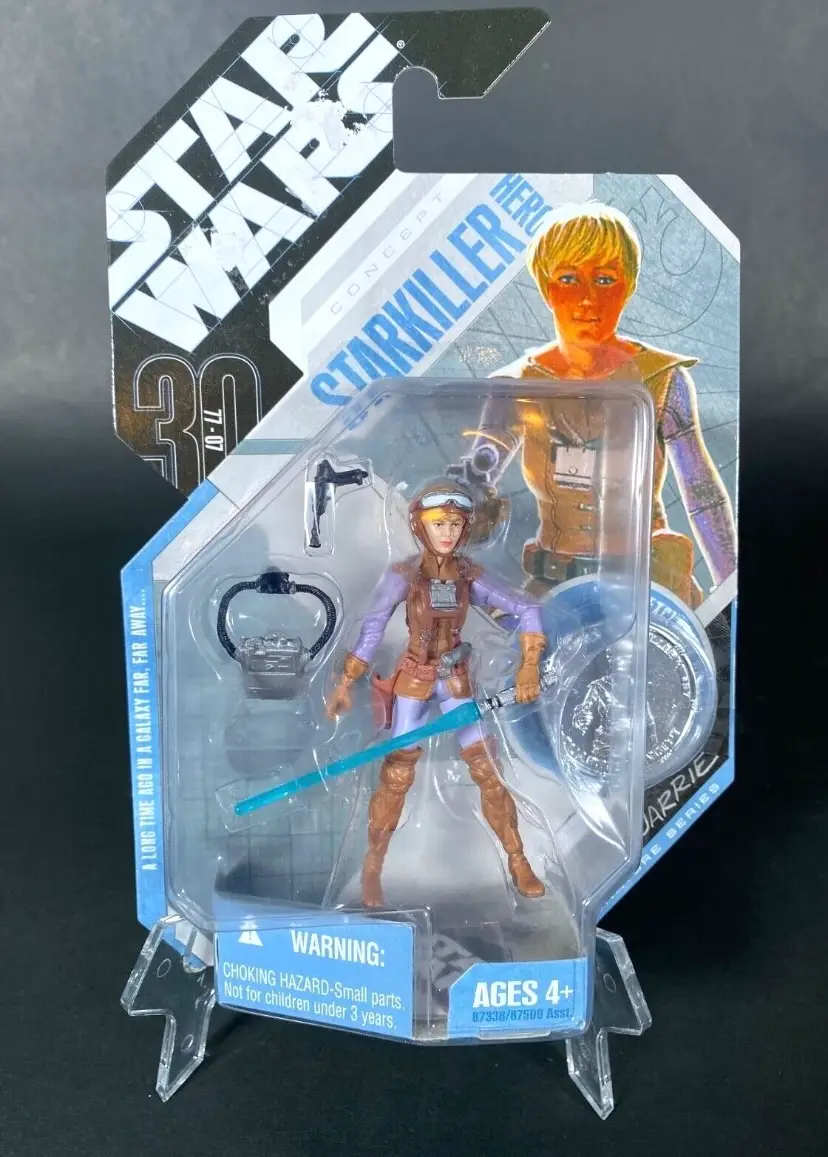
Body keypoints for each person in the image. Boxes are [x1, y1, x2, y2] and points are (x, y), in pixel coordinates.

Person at [465, 203, 736, 607]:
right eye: (568, 278)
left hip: (649, 588)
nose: (587, 298)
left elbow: (702, 495)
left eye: (605, 279)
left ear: (628, 285)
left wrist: (731, 592)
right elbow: (472, 481)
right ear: (546, 287)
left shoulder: (662, 379)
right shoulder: (516, 386)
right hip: (554, 589)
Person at [326, 480, 547, 908]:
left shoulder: (469, 576)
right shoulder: (404, 575)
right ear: (421, 526)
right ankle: (372, 868)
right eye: (438, 523)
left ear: (465, 528)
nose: (447, 532)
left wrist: (530, 664)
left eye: (455, 524)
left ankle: (518, 860)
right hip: (413, 678)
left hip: (456, 679)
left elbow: (527, 607)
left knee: (487, 771)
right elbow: (373, 627)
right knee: (396, 775)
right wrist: (346, 682)